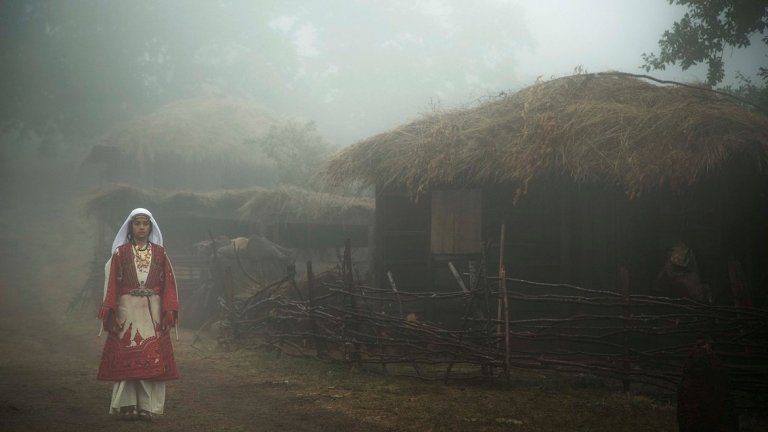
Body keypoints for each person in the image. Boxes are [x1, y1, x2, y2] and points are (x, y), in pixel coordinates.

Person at [96, 208, 179, 421]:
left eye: (145, 223)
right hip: (127, 311)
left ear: (150, 227)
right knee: (127, 357)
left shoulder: (160, 253)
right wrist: (111, 310)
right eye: (137, 223)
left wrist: (169, 309)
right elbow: (112, 284)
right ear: (130, 227)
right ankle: (127, 405)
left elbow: (168, 284)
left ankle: (148, 407)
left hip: (153, 312)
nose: (141, 227)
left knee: (152, 358)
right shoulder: (120, 253)